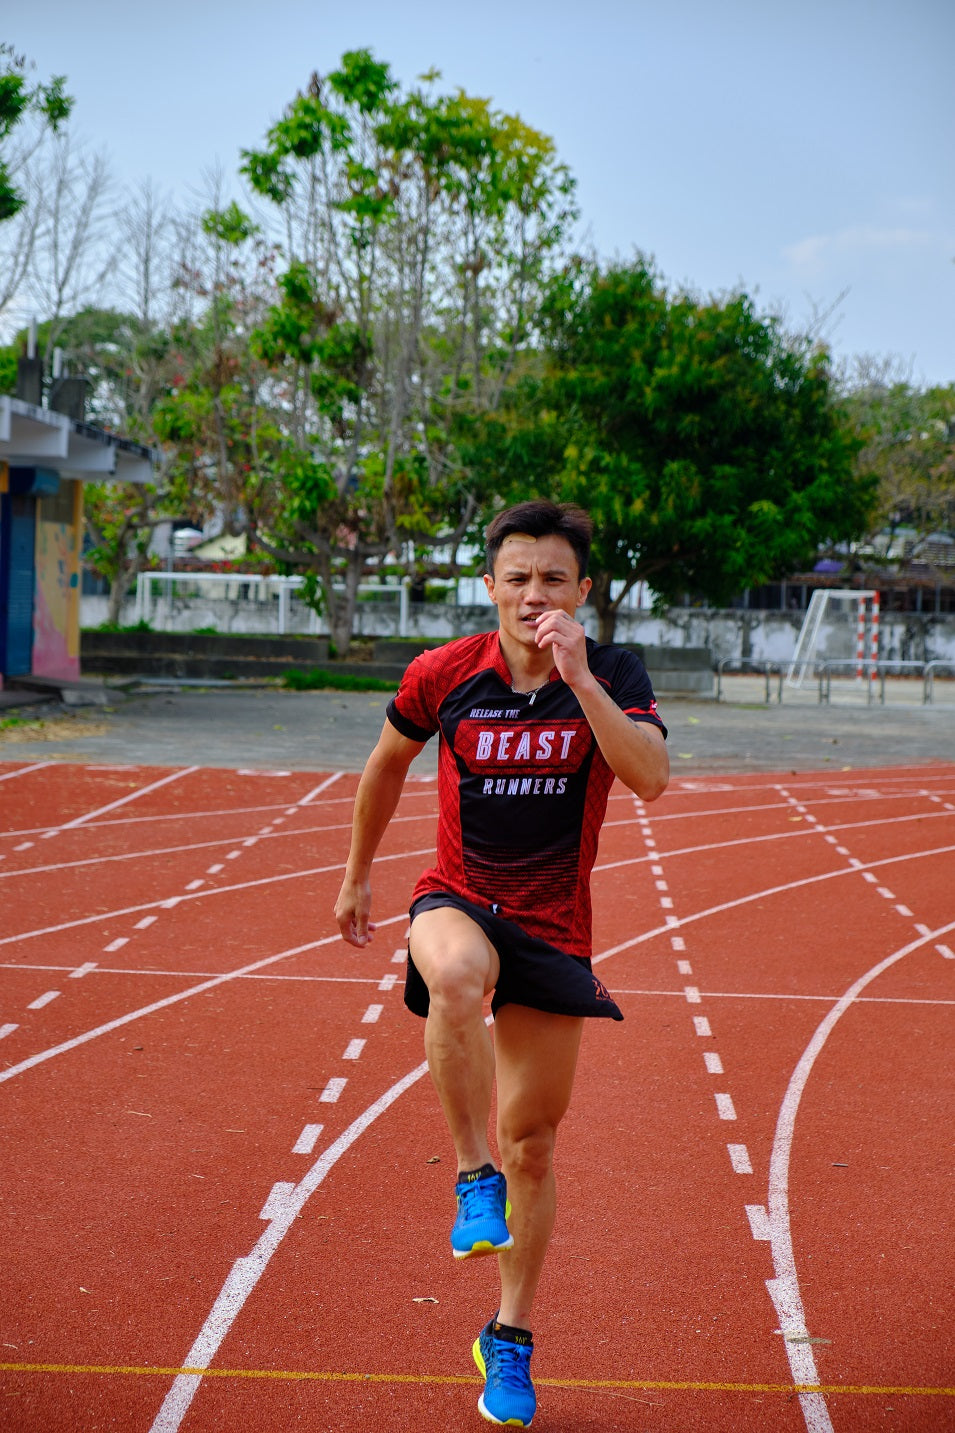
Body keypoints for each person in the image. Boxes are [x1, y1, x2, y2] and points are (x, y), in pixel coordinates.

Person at [335, 500, 669, 1427]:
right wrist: (357, 876)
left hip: (554, 924)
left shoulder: (611, 671)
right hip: (457, 896)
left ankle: (509, 1337)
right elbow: (384, 762)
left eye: (553, 579)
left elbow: (648, 776)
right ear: (489, 586)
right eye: (516, 578)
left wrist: (582, 682)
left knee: (537, 1141)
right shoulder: (445, 673)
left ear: (583, 590)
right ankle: (469, 1174)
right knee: (450, 974)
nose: (534, 595)